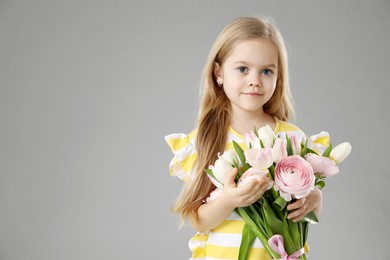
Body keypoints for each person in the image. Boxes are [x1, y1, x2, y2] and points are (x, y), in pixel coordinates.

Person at [165, 16, 322, 260]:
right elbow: (200, 221)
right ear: (218, 73)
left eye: (266, 71)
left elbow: (306, 216)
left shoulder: (292, 138)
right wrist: (228, 200)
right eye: (242, 69)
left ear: (278, 77)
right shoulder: (207, 138)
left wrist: (314, 198)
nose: (254, 80)